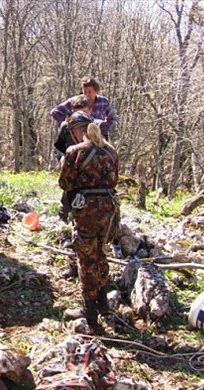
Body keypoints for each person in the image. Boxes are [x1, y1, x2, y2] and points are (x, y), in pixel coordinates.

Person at [58, 111, 119, 330]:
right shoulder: (111, 151)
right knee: (101, 253)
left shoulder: (74, 152)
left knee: (86, 258)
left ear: (76, 131)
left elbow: (65, 183)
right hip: (110, 211)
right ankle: (103, 302)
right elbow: (115, 180)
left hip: (87, 211)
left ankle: (90, 311)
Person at [50, 76, 117, 140]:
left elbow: (112, 117)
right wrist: (69, 122)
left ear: (96, 91)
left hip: (96, 136)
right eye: (85, 91)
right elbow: (55, 112)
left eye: (89, 92)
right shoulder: (75, 101)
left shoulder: (103, 102)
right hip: (77, 136)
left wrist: (104, 128)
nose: (87, 94)